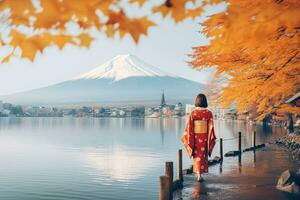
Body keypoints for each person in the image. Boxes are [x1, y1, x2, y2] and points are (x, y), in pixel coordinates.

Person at [181, 93, 216, 182]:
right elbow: (210, 126)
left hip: (195, 137)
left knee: (197, 156)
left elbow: (189, 127)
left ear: (196, 102)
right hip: (205, 137)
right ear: (205, 102)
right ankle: (200, 174)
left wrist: (188, 136)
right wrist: (210, 137)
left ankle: (198, 175)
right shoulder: (208, 113)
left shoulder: (193, 113)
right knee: (203, 155)